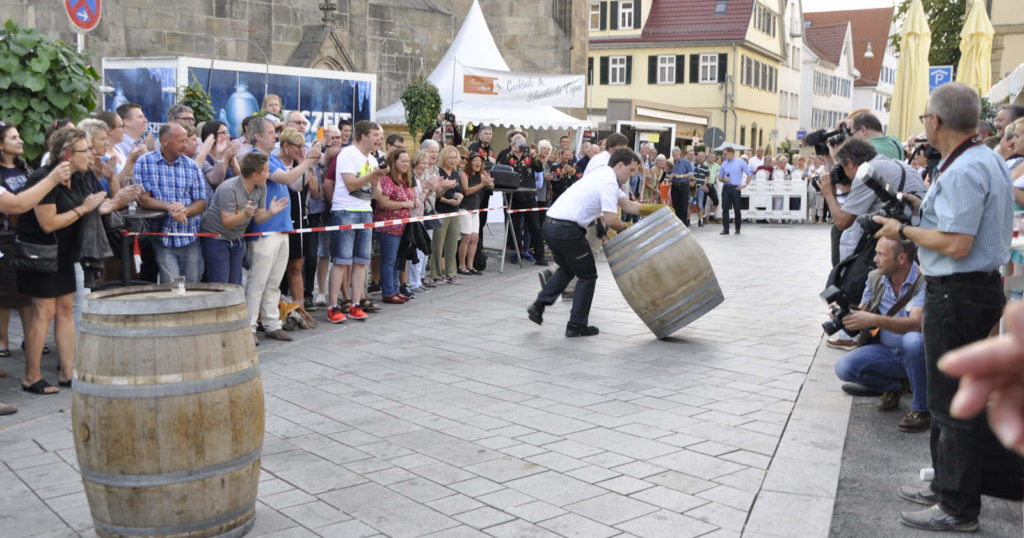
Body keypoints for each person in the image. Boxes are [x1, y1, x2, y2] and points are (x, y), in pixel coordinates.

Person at [872, 82, 1014, 532]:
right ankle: (947, 489)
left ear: (936, 122)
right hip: (970, 289)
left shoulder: (964, 168)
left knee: (951, 402)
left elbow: (956, 243)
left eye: (924, 118)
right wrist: (919, 209)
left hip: (959, 291)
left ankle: (957, 507)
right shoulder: (985, 156)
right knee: (948, 397)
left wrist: (905, 230)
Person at [16, 129, 109, 395]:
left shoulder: (79, 178)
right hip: (40, 253)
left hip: (65, 253)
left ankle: (68, 371)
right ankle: (31, 377)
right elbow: (47, 224)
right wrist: (83, 208)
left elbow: (92, 205)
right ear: (67, 154)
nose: (92, 154)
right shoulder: (43, 178)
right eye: (86, 150)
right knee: (43, 312)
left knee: (66, 308)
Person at [527, 148, 640, 337]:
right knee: (588, 275)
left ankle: (539, 306)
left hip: (551, 224)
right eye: (631, 170)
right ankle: (576, 325)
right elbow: (612, 220)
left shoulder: (604, 174)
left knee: (567, 269)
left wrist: (655, 210)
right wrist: (630, 230)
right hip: (566, 229)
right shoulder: (609, 182)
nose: (632, 175)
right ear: (620, 165)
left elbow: (628, 205)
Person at [833, 238, 929, 432]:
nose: (875, 259)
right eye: (876, 252)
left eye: (881, 254)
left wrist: (873, 320)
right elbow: (863, 310)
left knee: (913, 341)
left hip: (920, 354)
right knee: (844, 368)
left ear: (901, 258)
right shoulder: (874, 278)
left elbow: (915, 324)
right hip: (886, 351)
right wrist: (843, 313)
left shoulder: (924, 280)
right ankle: (896, 385)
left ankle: (921, 409)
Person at [246, 117, 320, 344]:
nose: (275, 136)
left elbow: (294, 183)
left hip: (281, 227)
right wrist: (308, 160)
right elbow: (286, 178)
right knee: (258, 282)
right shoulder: (255, 158)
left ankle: (271, 323)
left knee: (273, 282)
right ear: (258, 136)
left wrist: (308, 164)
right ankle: (248, 328)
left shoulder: (272, 159)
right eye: (271, 132)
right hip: (264, 229)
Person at [326, 120, 388, 323]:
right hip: (345, 211)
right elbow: (350, 184)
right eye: (374, 135)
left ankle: (355, 304)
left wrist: (377, 181)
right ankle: (333, 306)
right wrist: (373, 174)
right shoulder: (347, 154)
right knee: (342, 261)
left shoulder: (371, 159)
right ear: (363, 135)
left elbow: (375, 194)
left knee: (362, 261)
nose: (378, 139)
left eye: (379, 135)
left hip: (365, 211)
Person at [135, 123, 208, 283]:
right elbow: (143, 199)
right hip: (163, 237)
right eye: (180, 141)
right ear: (164, 141)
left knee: (192, 284)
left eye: (185, 140)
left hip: (189, 235)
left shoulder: (192, 166)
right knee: (172, 285)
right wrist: (169, 207)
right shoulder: (145, 162)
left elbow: (201, 203)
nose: (184, 145)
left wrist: (185, 210)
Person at [200, 152, 286, 285]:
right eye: (266, 171)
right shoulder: (229, 188)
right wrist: (244, 215)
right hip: (216, 236)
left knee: (236, 284)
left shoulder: (261, 186)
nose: (268, 175)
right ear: (255, 175)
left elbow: (258, 217)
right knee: (221, 283)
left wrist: (270, 213)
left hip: (237, 237)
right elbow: (227, 222)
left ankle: (233, 305)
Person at [276, 127, 320, 306]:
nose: (302, 151)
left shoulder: (299, 164)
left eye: (304, 146)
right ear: (285, 145)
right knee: (278, 269)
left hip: (300, 218)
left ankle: (299, 308)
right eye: (298, 146)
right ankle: (276, 308)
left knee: (296, 265)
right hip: (281, 220)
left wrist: (311, 166)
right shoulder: (275, 163)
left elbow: (314, 192)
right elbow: (291, 183)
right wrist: (307, 162)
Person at [373, 149, 417, 303]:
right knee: (389, 260)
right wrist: (404, 204)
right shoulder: (387, 179)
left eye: (407, 161)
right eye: (403, 161)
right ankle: (388, 292)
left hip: (402, 227)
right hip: (389, 227)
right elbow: (383, 202)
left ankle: (395, 289)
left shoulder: (403, 179)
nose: (406, 164)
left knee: (398, 260)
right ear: (394, 162)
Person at [497, 132, 547, 265]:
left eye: (522, 144)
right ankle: (515, 253)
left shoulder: (529, 158)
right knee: (514, 227)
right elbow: (499, 165)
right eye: (517, 144)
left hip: (529, 196)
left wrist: (534, 155)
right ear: (512, 144)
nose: (520, 147)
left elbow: (540, 167)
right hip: (512, 197)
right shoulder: (506, 156)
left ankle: (539, 256)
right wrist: (511, 152)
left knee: (535, 227)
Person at [429, 145, 465, 284]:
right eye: (450, 157)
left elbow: (459, 190)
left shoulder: (456, 173)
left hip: (454, 212)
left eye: (455, 157)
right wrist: (448, 200)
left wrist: (459, 196)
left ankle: (451, 273)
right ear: (444, 157)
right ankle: (436, 274)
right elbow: (437, 195)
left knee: (452, 245)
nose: (452, 160)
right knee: (438, 246)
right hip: (441, 211)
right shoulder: (439, 172)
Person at [458, 153, 492, 275]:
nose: (478, 163)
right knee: (466, 238)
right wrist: (483, 184)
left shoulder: (481, 174)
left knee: (474, 239)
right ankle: (462, 265)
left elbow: (491, 186)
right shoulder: (463, 174)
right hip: (465, 209)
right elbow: (466, 191)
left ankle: (470, 265)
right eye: (475, 160)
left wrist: (488, 182)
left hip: (475, 210)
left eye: (480, 161)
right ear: (470, 162)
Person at [717, 147, 753, 235]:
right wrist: (723, 179)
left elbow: (749, 174)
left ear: (731, 153)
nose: (725, 156)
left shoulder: (740, 162)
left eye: (726, 154)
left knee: (737, 209)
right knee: (725, 208)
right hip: (726, 188)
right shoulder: (724, 164)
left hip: (736, 188)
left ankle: (737, 229)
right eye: (724, 154)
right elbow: (719, 177)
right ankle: (726, 229)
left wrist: (745, 184)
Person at [667, 147, 694, 223]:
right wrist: (669, 175)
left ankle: (684, 224)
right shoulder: (671, 163)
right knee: (675, 206)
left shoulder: (685, 162)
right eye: (673, 155)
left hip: (683, 185)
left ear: (679, 154)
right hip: (674, 186)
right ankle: (677, 224)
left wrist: (681, 176)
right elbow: (667, 173)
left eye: (675, 155)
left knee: (683, 206)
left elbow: (691, 173)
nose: (674, 157)